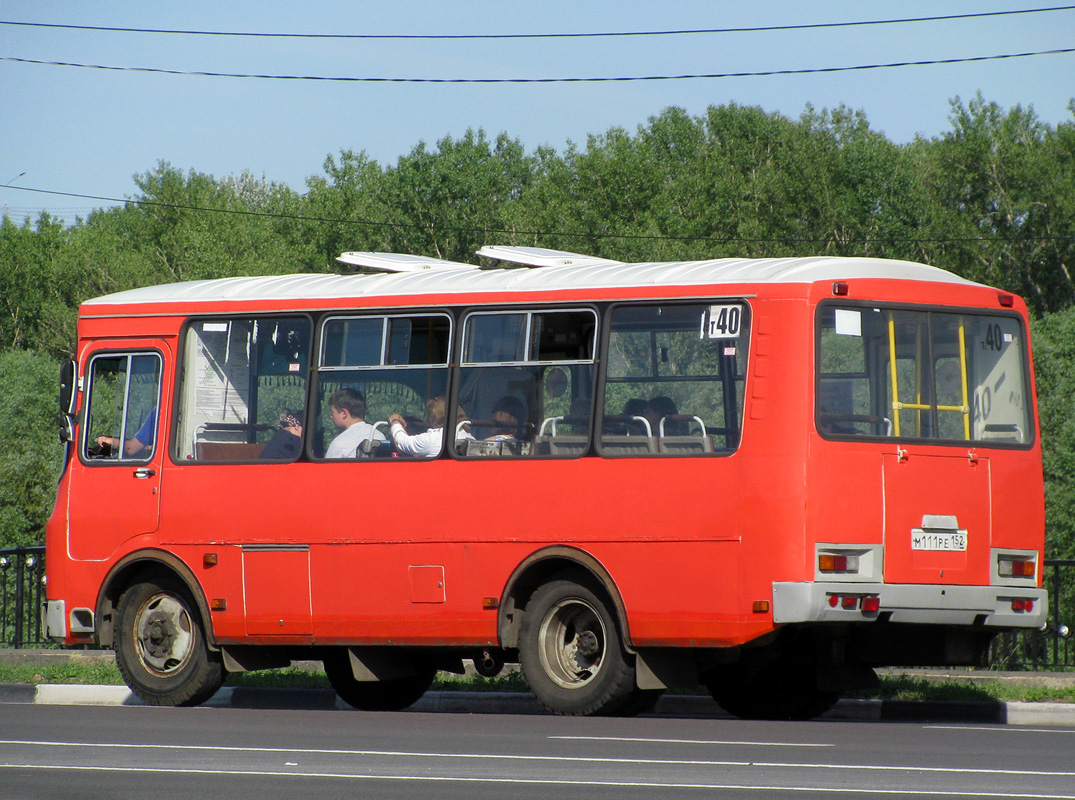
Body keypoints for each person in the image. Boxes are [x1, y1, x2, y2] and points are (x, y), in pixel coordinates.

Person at [389, 396, 471, 458]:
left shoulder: (431, 439)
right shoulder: (469, 437)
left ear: (434, 417)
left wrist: (395, 421)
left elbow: (403, 442)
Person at [325, 388, 376, 459]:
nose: (331, 416)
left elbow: (326, 469)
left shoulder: (339, 443)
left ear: (343, 413)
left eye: (332, 412)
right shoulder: (379, 435)